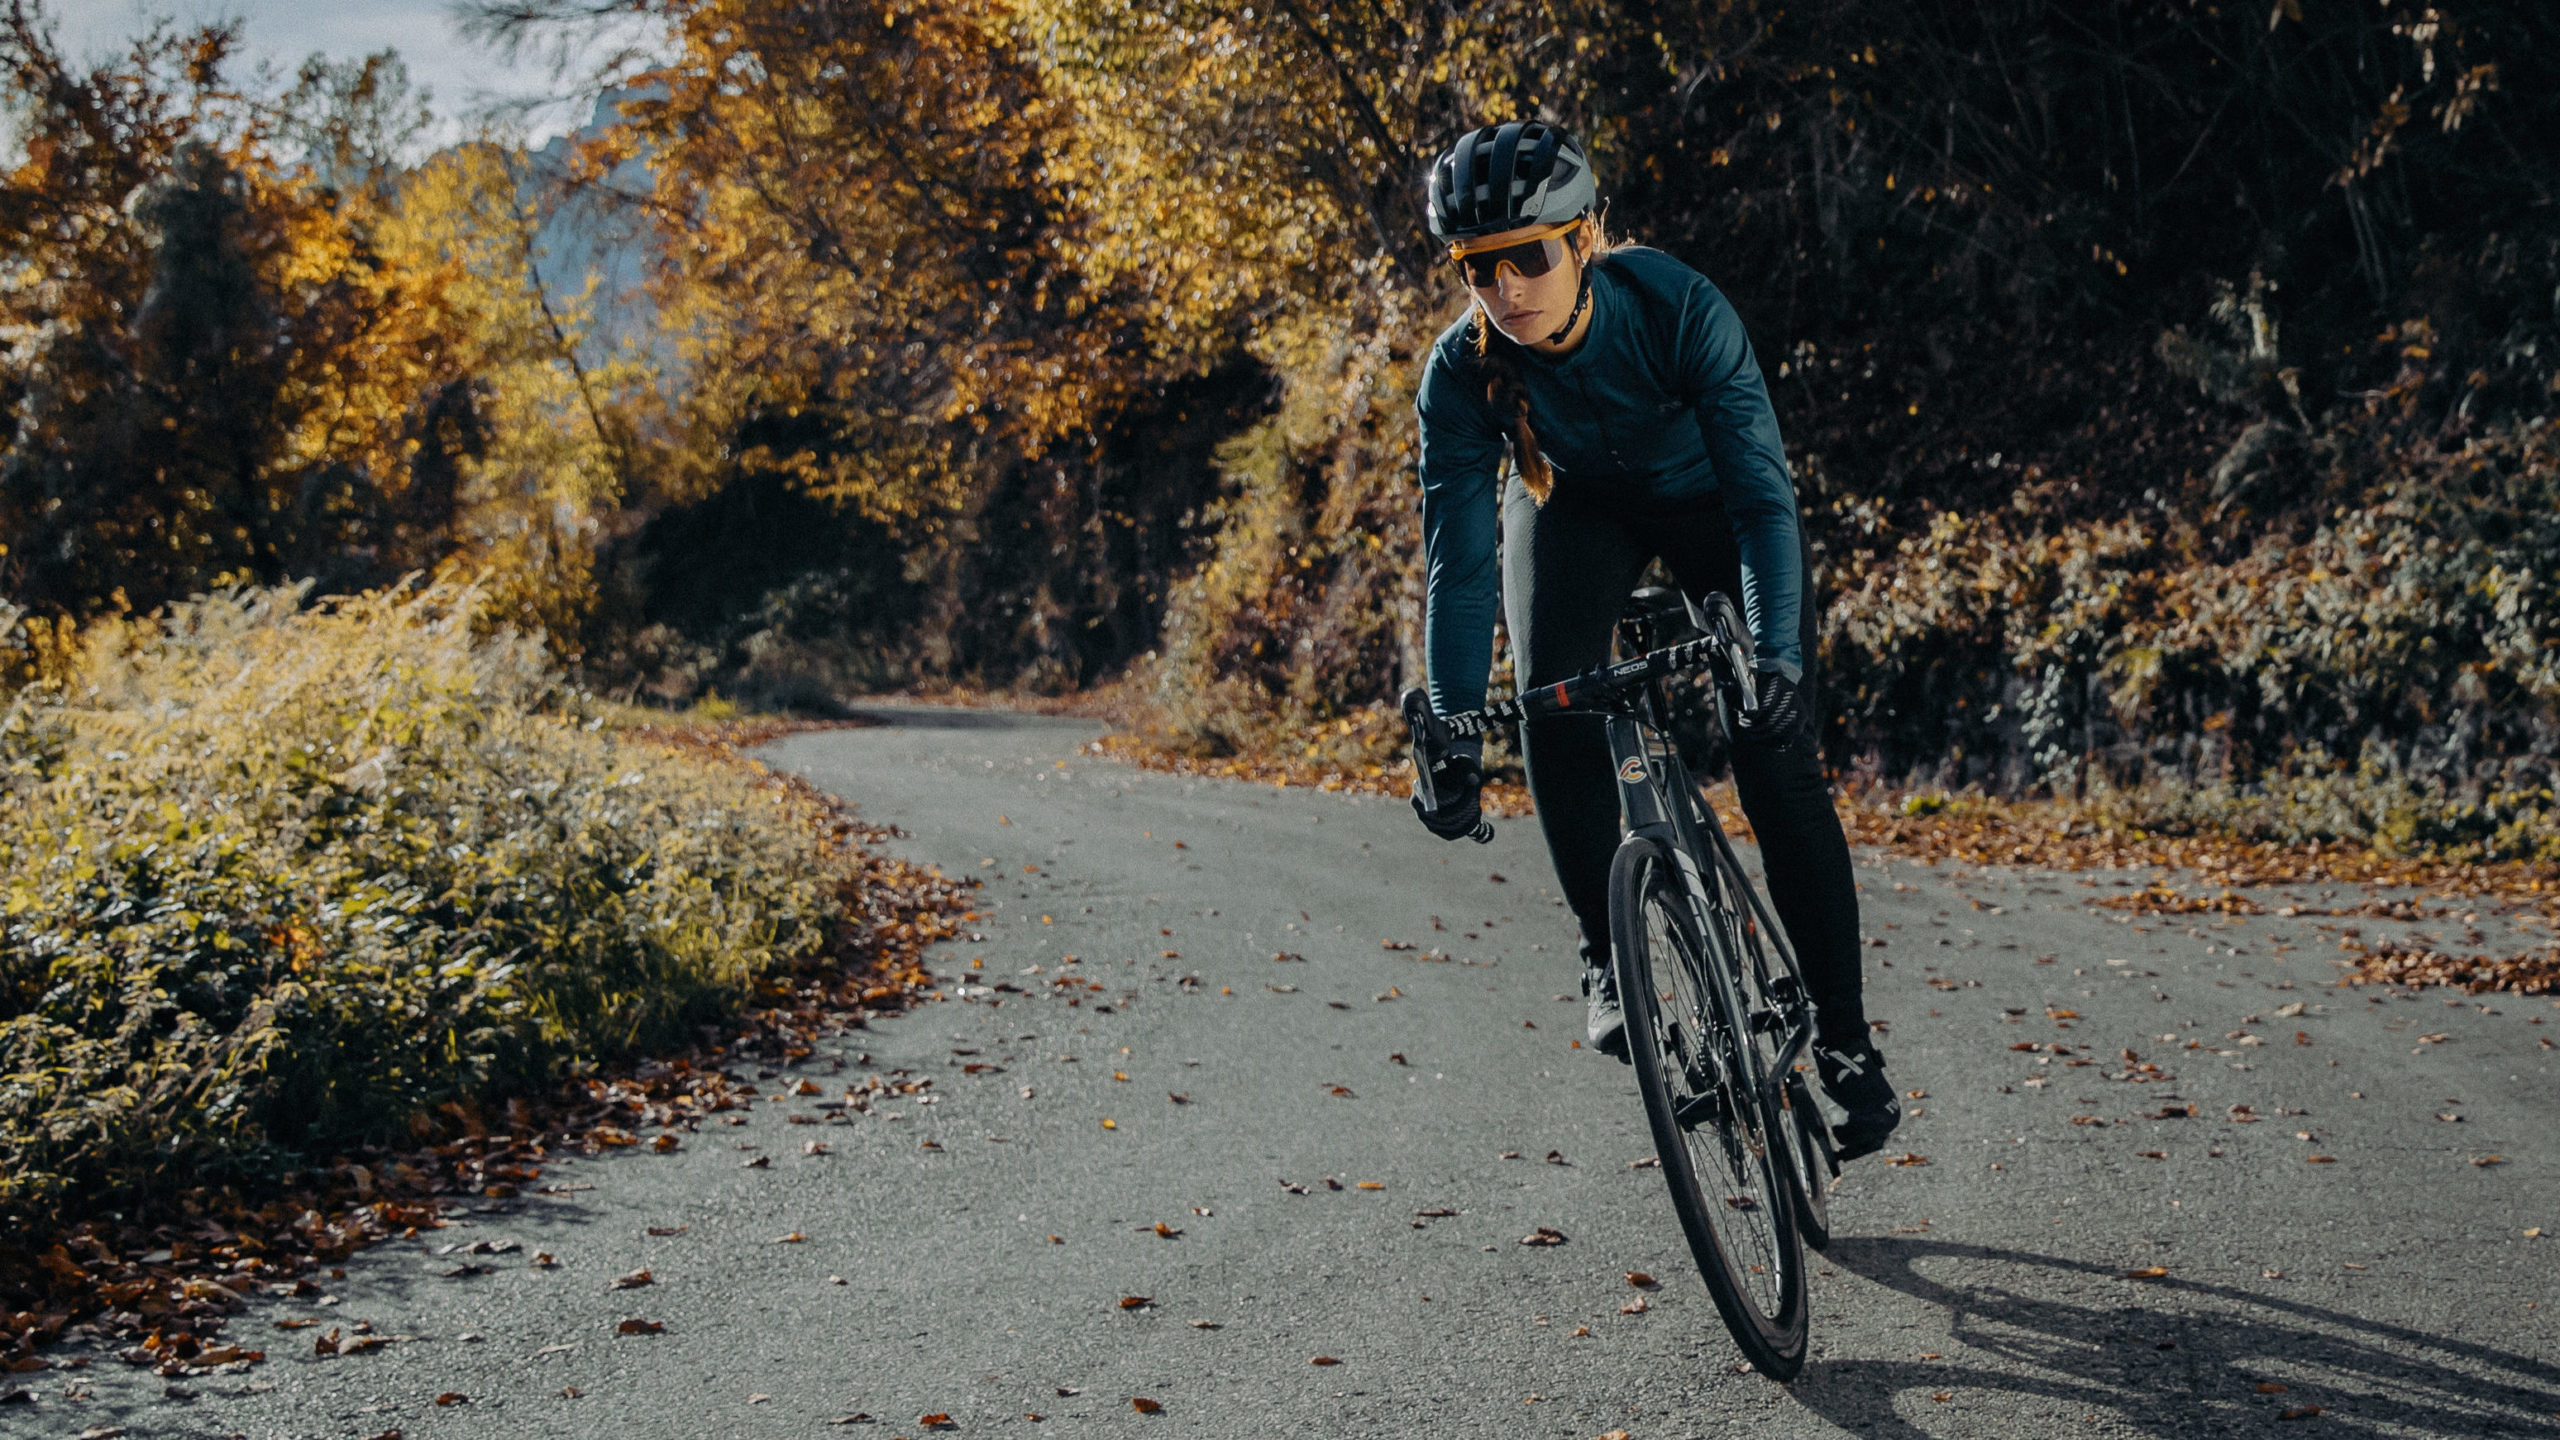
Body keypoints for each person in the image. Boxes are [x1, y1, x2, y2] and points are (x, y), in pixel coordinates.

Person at [1407, 120, 1899, 1161]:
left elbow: (1763, 502)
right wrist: (1450, 727)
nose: (1505, 288)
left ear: (1583, 239)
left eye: (1527, 256)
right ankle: (1607, 949)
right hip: (1576, 506)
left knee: (1773, 751)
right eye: (1478, 268)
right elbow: (1459, 566)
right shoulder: (1461, 373)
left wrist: (1774, 660)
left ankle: (1846, 1040)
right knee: (1551, 696)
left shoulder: (1677, 307)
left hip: (1711, 501)